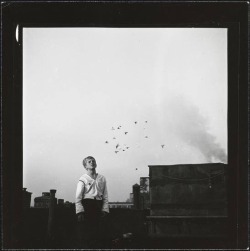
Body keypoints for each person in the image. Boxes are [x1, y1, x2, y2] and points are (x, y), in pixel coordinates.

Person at [75, 156, 109, 248]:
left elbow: (105, 195)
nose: (92, 162)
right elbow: (78, 197)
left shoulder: (102, 178)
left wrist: (105, 209)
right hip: (87, 205)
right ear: (85, 166)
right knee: (88, 232)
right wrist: (80, 212)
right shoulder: (83, 179)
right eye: (89, 161)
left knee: (99, 232)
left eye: (93, 161)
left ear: (96, 163)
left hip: (99, 204)